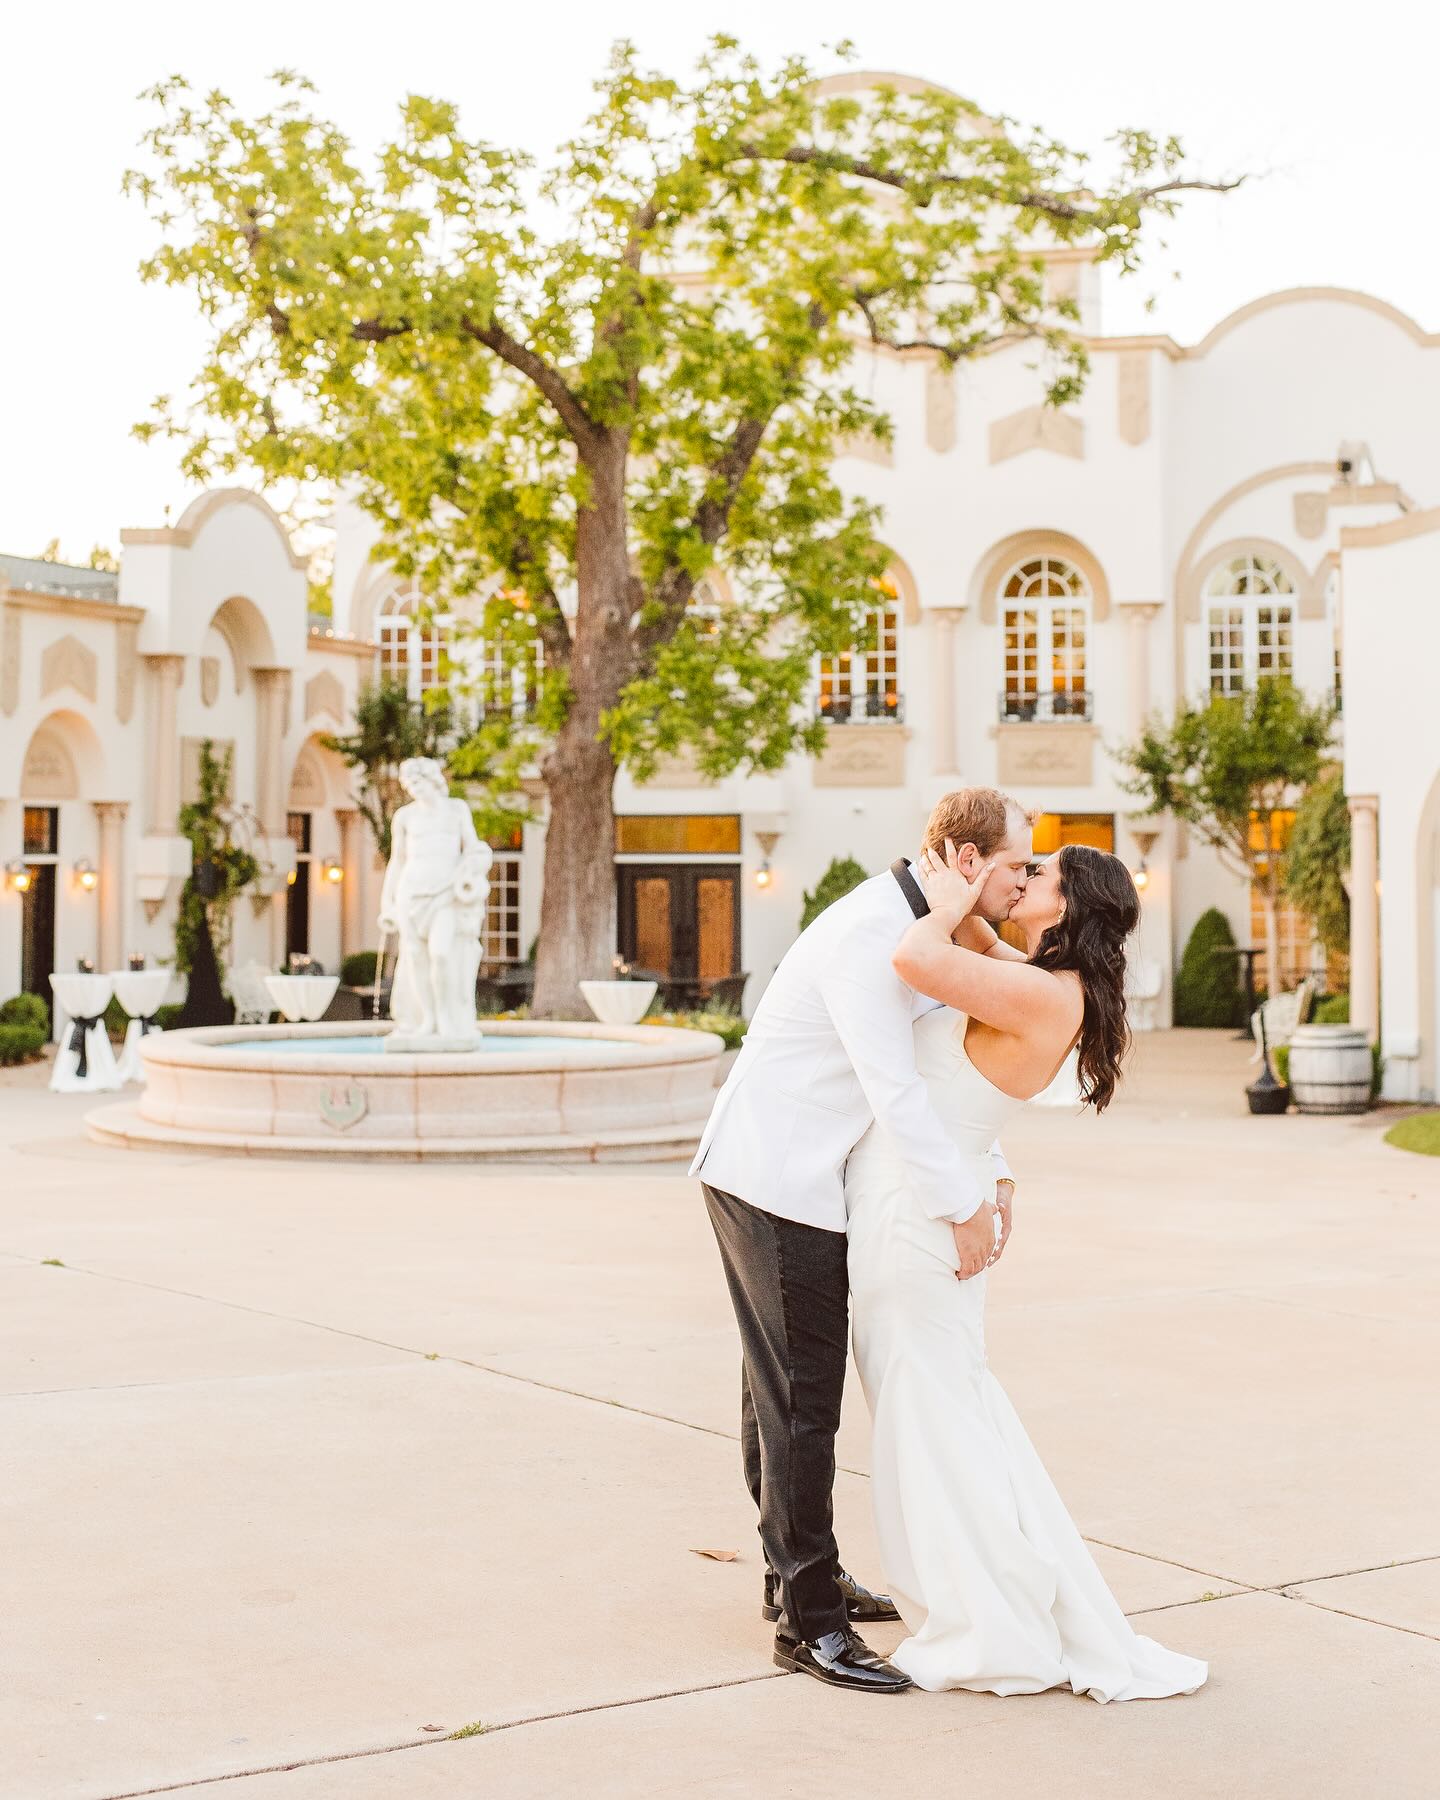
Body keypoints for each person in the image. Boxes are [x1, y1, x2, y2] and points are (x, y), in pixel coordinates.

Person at [845, 837, 1208, 1700]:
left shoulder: (1042, 991)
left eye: (1038, 874)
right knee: (947, 1414)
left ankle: (988, 1625)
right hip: (935, 1203)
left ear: (1068, 905)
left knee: (927, 1424)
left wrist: (942, 899)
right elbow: (973, 945)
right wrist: (966, 882)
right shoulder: (1043, 981)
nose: (1023, 879)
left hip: (915, 1215)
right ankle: (990, 1600)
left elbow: (914, 953)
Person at [693, 789, 1036, 1693]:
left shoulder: (924, 932)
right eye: (1016, 867)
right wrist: (960, 1203)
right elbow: (896, 1091)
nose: (1023, 883)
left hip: (804, 1178)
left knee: (785, 1390)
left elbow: (945, 1070)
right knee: (801, 1398)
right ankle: (809, 1624)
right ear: (966, 860)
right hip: (773, 1177)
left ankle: (794, 1575)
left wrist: (989, 1169)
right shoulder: (867, 934)